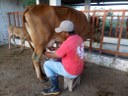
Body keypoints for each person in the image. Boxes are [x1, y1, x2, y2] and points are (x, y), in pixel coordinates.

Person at [41, 20, 84, 95]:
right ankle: (55, 74)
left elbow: (52, 55)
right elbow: (69, 50)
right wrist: (55, 49)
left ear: (67, 33)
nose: (60, 33)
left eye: (61, 32)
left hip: (72, 72)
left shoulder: (67, 43)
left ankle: (54, 89)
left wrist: (44, 52)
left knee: (47, 64)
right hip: (79, 68)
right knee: (55, 59)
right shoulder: (79, 38)